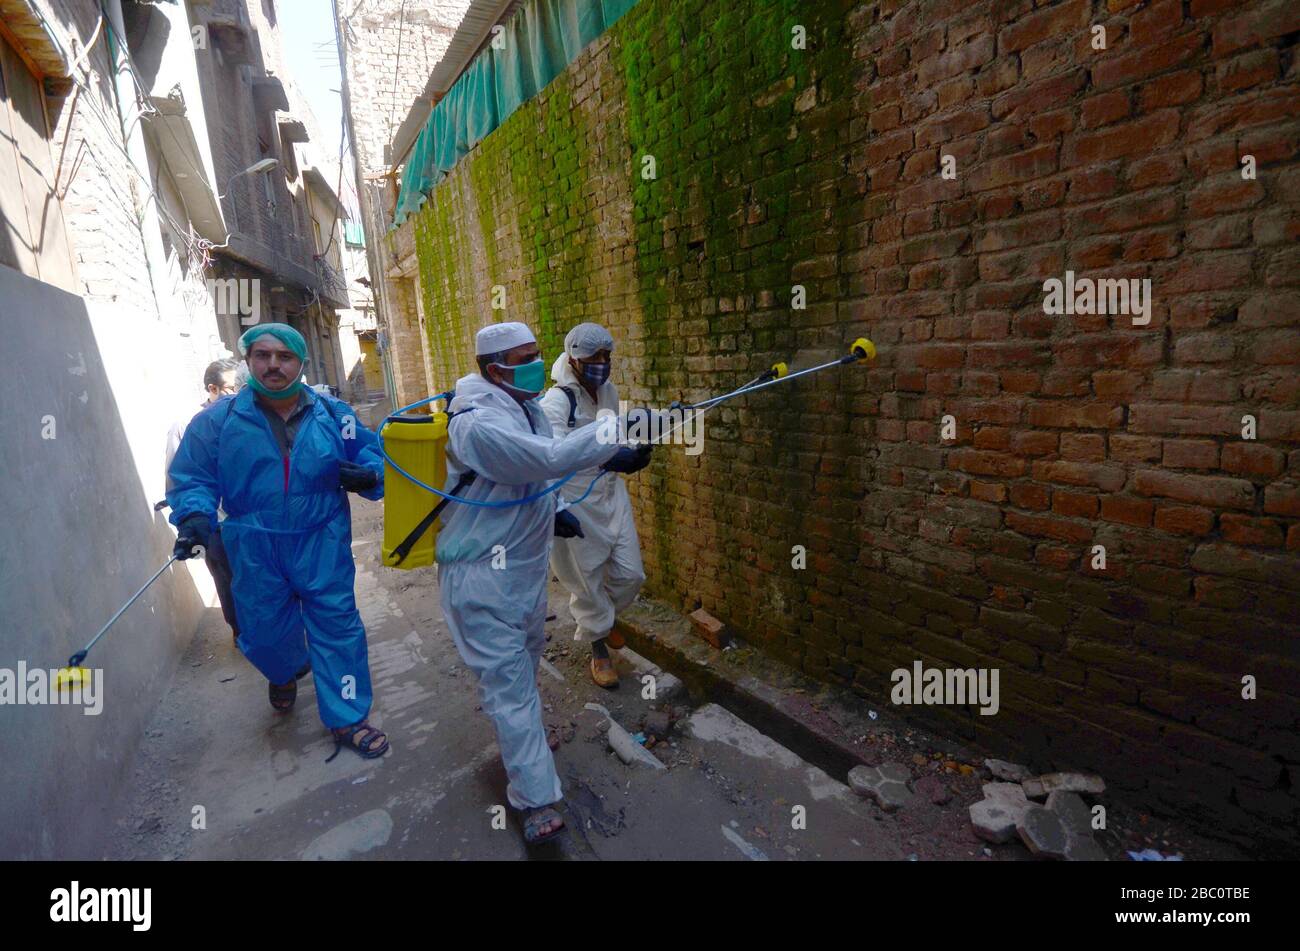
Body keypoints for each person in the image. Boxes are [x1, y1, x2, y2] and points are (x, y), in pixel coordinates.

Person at [436, 321, 651, 845]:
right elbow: (549, 458)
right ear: (494, 369)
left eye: (537, 353)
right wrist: (620, 433)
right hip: (481, 578)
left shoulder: (523, 405)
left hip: (522, 572)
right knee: (509, 688)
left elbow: (534, 477)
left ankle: (525, 744)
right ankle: (535, 801)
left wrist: (553, 509)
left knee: (524, 666)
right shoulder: (477, 423)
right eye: (525, 357)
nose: (537, 363)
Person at [167, 323, 390, 760]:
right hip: (254, 543)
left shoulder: (333, 414)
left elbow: (370, 451)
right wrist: (194, 516)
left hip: (321, 537)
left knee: (337, 625)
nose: (273, 364)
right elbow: (192, 475)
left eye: (284, 356)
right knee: (264, 631)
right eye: (263, 356)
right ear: (249, 361)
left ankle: (348, 717)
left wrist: (370, 473)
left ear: (300, 363)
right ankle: (284, 669)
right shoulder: (218, 421)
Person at [539, 324, 650, 689]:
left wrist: (631, 452)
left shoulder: (609, 390)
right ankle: (599, 651)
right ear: (574, 358)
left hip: (610, 496)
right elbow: (553, 458)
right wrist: (606, 459)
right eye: (594, 357)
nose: (602, 363)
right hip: (577, 499)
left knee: (631, 574)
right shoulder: (555, 402)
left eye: (607, 356)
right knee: (586, 580)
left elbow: (611, 434)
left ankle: (604, 619)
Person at [165, 358, 244, 643]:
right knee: (228, 580)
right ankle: (241, 633)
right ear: (212, 388)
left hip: (248, 519)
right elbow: (181, 477)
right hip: (215, 522)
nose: (238, 393)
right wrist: (193, 516)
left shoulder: (246, 418)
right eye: (232, 387)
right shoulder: (188, 424)